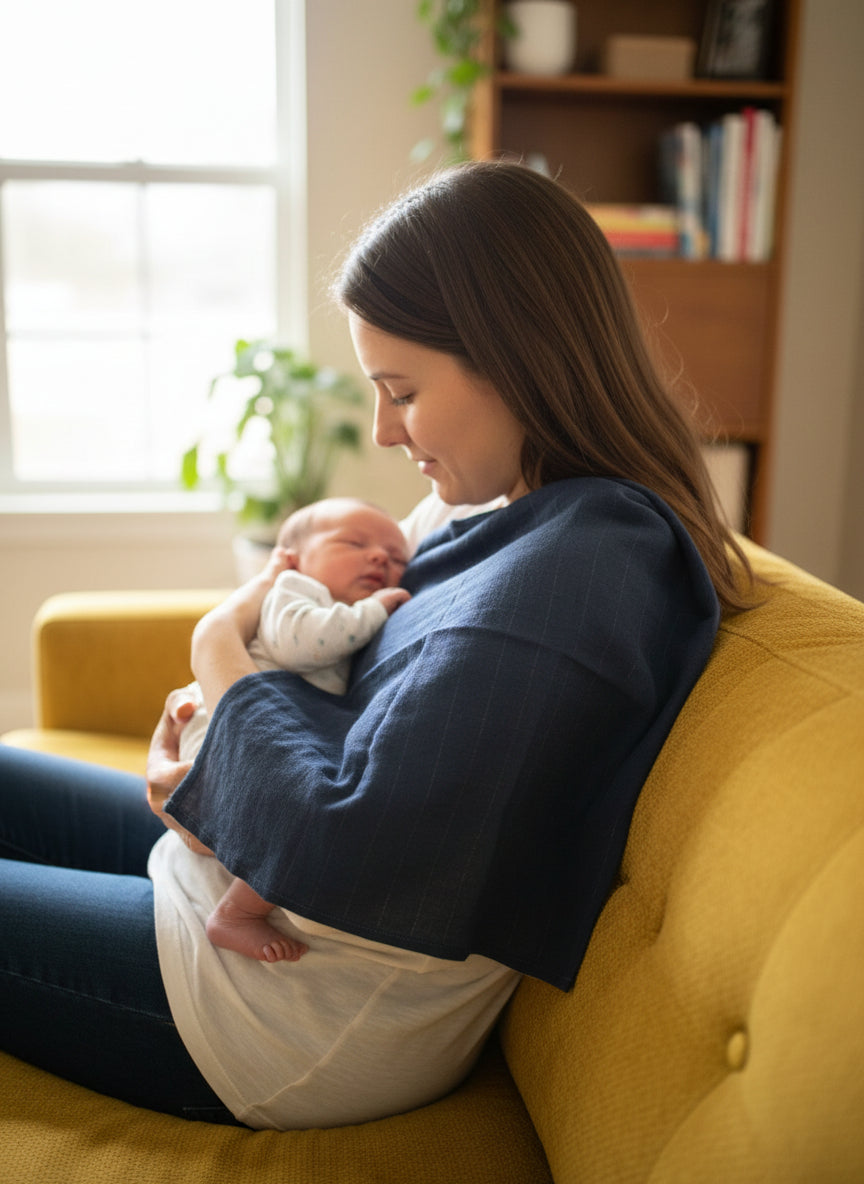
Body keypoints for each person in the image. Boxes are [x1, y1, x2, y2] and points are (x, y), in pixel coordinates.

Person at [0, 160, 754, 1130]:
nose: (383, 429)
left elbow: (346, 843)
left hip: (286, 1007)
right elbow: (339, 664)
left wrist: (217, 662)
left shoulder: (582, 575)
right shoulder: (493, 502)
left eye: (401, 389)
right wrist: (206, 768)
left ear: (516, 357)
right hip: (244, 891)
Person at [178, 496, 410, 964]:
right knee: (288, 808)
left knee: (296, 810)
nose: (381, 557)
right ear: (292, 557)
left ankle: (237, 905)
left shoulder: (335, 607)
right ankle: (235, 916)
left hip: (267, 722)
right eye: (354, 542)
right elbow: (303, 644)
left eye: (398, 556)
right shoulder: (294, 590)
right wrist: (376, 609)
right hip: (228, 725)